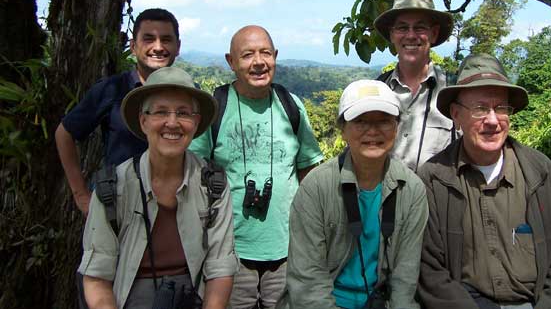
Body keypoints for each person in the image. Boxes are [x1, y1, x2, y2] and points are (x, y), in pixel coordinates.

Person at [417, 53, 551, 309]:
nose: (492, 120)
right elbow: (429, 270)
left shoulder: (540, 173)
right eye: (480, 108)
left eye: (501, 108)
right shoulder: (434, 178)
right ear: (456, 115)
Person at [79, 67, 238, 309]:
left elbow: (220, 267)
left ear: (196, 123)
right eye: (161, 112)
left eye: (183, 113)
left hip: (192, 297)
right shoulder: (112, 186)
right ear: (143, 121)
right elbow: (97, 275)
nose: (172, 123)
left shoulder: (212, 184)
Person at [189, 25, 323, 309]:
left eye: (265, 53)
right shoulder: (216, 107)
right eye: (247, 55)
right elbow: (194, 171)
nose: (258, 62)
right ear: (231, 62)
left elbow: (309, 169)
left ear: (275, 56)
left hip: (287, 251)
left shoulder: (291, 105)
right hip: (229, 251)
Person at [280, 79, 428, 309]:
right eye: (360, 121)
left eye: (383, 121)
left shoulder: (411, 190)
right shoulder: (317, 187)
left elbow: (404, 280)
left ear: (397, 127)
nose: (372, 131)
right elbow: (308, 280)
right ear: (343, 130)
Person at [55, 8, 181, 216]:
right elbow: (64, 133)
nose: (158, 47)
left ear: (177, 47)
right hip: (118, 208)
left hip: (173, 209)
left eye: (166, 40)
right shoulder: (111, 90)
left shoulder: (188, 95)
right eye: (148, 39)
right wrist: (81, 196)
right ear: (133, 46)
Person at [373, 0, 455, 170]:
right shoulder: (378, 92)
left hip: (435, 198)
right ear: (392, 34)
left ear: (433, 34)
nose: (411, 35)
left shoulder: (453, 92)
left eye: (419, 28)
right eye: (402, 28)